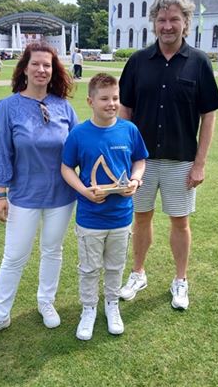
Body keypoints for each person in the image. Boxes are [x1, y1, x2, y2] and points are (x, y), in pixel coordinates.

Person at [118, 0, 218, 310]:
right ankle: (138, 273)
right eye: (162, 19)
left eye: (174, 19)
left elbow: (209, 114)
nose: (167, 25)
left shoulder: (199, 62)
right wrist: (125, 156)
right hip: (142, 162)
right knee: (141, 217)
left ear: (186, 23)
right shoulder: (138, 62)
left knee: (180, 222)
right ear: (154, 23)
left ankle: (180, 280)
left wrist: (200, 163)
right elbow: (125, 110)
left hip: (181, 161)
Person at [0, 42, 79, 344]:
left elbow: (80, 145)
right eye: (36, 64)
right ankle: (0, 314)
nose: (42, 70)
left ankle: (46, 301)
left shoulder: (63, 106)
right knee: (14, 256)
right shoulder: (8, 107)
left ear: (53, 70)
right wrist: (0, 195)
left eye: (48, 65)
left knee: (52, 250)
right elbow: (1, 152)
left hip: (61, 196)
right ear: (25, 68)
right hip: (24, 195)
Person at [61, 73, 148, 340]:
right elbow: (67, 167)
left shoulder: (129, 130)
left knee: (115, 266)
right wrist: (84, 192)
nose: (111, 103)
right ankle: (88, 309)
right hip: (90, 218)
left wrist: (135, 179)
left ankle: (111, 305)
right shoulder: (79, 134)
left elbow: (139, 160)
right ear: (90, 101)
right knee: (89, 268)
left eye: (115, 98)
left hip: (121, 217)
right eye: (104, 99)